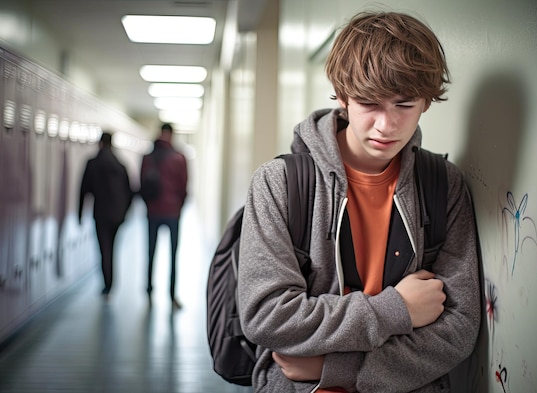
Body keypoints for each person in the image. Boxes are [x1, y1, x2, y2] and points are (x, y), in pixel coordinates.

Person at [237, 11, 481, 392]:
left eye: (404, 105)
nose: (387, 125)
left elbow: (458, 328)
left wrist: (334, 368)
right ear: (343, 96)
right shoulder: (279, 184)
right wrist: (396, 310)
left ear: (426, 103)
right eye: (370, 103)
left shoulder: (443, 185)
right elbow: (267, 317)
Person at [78, 131, 133, 297]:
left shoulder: (92, 163)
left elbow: (83, 190)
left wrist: (79, 213)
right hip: (117, 215)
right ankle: (111, 283)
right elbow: (129, 192)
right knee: (113, 247)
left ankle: (107, 284)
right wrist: (125, 213)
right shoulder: (121, 164)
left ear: (100, 143)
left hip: (100, 213)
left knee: (104, 249)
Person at [140, 123, 188, 308]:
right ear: (172, 135)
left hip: (152, 211)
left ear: (160, 133)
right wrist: (178, 206)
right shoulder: (179, 158)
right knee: (173, 254)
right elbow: (184, 186)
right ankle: (172, 296)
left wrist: (148, 204)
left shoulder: (148, 157)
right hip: (173, 212)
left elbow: (142, 184)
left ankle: (149, 293)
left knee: (150, 252)